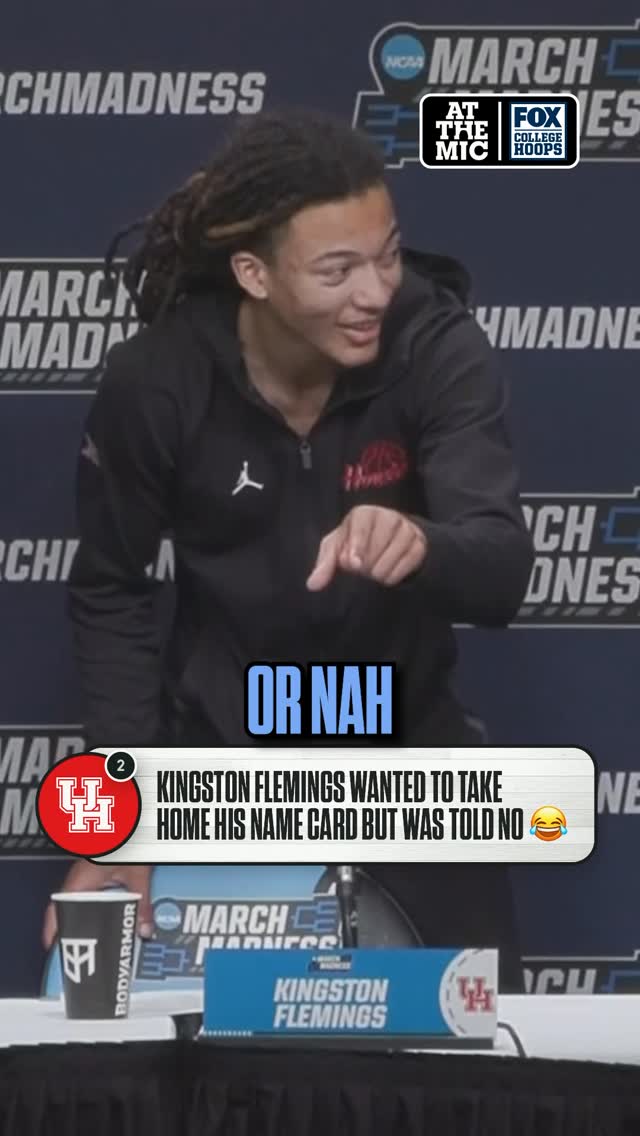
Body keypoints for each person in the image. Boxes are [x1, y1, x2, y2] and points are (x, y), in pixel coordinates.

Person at [43, 108, 534, 990]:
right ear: (254, 274)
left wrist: (422, 541)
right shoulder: (159, 381)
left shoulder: (437, 346)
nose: (375, 292)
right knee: (216, 1059)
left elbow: (499, 569)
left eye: (388, 255)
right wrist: (117, 821)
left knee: (477, 1046)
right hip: (225, 776)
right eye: (337, 270)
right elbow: (111, 590)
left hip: (409, 771)